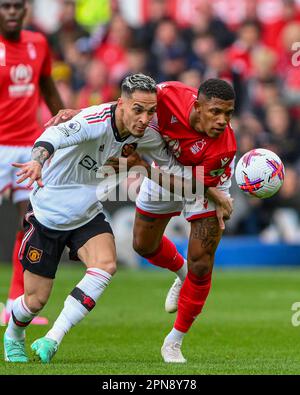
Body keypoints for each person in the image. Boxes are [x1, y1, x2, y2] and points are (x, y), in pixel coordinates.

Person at [3, 73, 197, 363]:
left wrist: (210, 189)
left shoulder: (144, 136)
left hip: (87, 215)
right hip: (48, 216)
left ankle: (53, 338)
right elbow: (53, 136)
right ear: (121, 104)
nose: (145, 118)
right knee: (34, 302)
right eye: (138, 109)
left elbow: (177, 167)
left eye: (151, 111)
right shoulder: (93, 121)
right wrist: (37, 160)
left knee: (106, 265)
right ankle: (14, 334)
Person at [49, 78, 236, 364]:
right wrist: (84, 115)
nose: (223, 121)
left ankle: (174, 342)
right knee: (143, 246)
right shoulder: (169, 94)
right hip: (162, 170)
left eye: (229, 114)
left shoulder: (224, 148)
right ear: (197, 107)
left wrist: (216, 194)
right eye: (216, 112)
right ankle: (179, 270)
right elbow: (131, 105)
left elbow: (194, 187)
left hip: (200, 181)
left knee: (202, 261)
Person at [0, 0, 64, 325]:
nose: (11, 12)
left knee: (28, 223)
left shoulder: (38, 43)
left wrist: (66, 125)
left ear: (25, 9)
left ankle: (14, 301)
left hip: (28, 148)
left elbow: (47, 87)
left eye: (16, 6)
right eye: (4, 6)